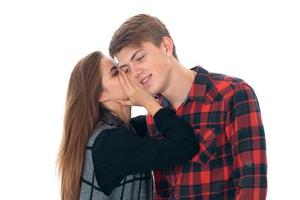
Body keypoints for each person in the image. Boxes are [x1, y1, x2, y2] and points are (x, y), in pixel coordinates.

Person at [109, 14, 267, 199]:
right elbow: (163, 192)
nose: (135, 73)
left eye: (140, 58)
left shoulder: (232, 94)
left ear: (166, 46)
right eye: (126, 69)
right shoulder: (155, 115)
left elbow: (252, 187)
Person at [57, 51, 199, 200]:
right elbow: (186, 145)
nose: (125, 73)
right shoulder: (110, 143)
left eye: (121, 67)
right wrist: (148, 102)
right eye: (115, 73)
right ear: (101, 95)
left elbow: (165, 120)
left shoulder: (124, 130)